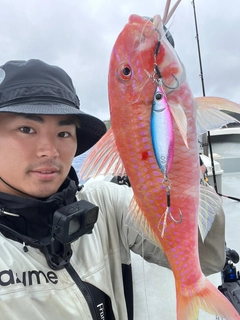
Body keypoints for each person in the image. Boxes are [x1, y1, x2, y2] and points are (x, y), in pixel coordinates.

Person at [0, 59, 226, 320]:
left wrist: (185, 177)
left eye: (63, 133)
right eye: (26, 129)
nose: (49, 151)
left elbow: (207, 258)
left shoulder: (104, 203)